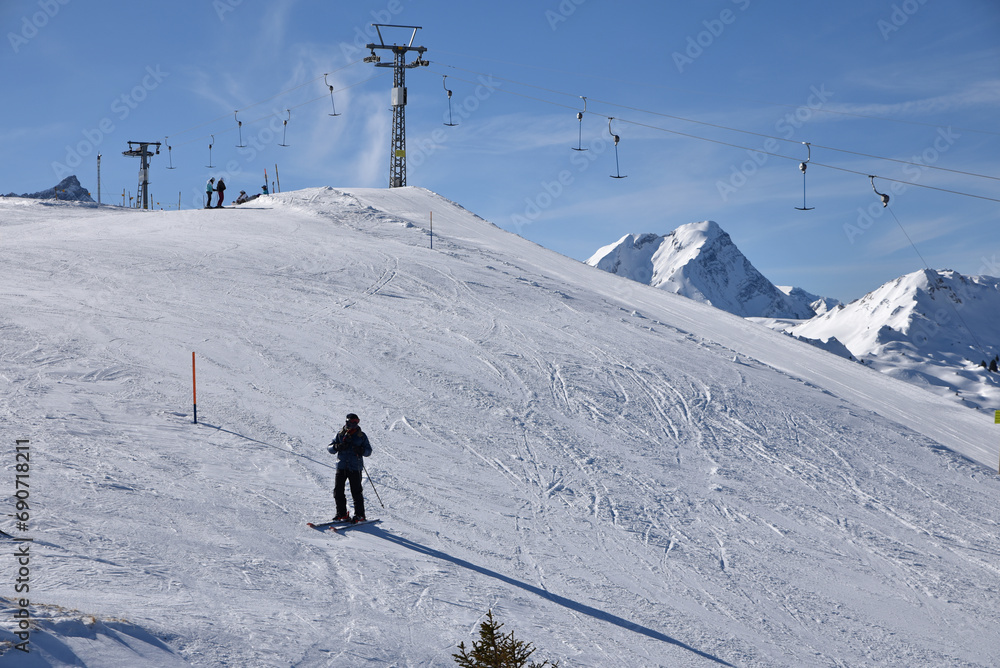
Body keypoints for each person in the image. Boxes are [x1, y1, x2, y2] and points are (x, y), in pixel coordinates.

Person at [327, 413, 372, 522]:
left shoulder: (361, 436)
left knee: (356, 491)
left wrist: (361, 450)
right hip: (342, 466)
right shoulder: (340, 434)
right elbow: (330, 448)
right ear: (347, 422)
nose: (354, 424)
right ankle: (341, 513)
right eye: (352, 422)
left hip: (355, 467)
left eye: (356, 422)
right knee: (338, 491)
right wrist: (337, 446)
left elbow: (368, 451)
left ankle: (360, 515)